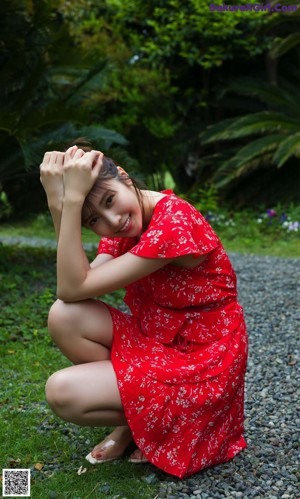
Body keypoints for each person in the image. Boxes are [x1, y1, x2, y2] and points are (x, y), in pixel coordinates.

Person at [40, 145, 248, 479]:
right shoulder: (130, 218)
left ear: (123, 175)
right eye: (94, 221)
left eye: (109, 200)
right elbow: (75, 286)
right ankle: (134, 423)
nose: (114, 221)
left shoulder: (174, 223)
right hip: (159, 341)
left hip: (202, 360)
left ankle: (144, 425)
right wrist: (60, 206)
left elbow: (72, 286)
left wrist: (72, 200)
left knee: (62, 392)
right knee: (64, 316)